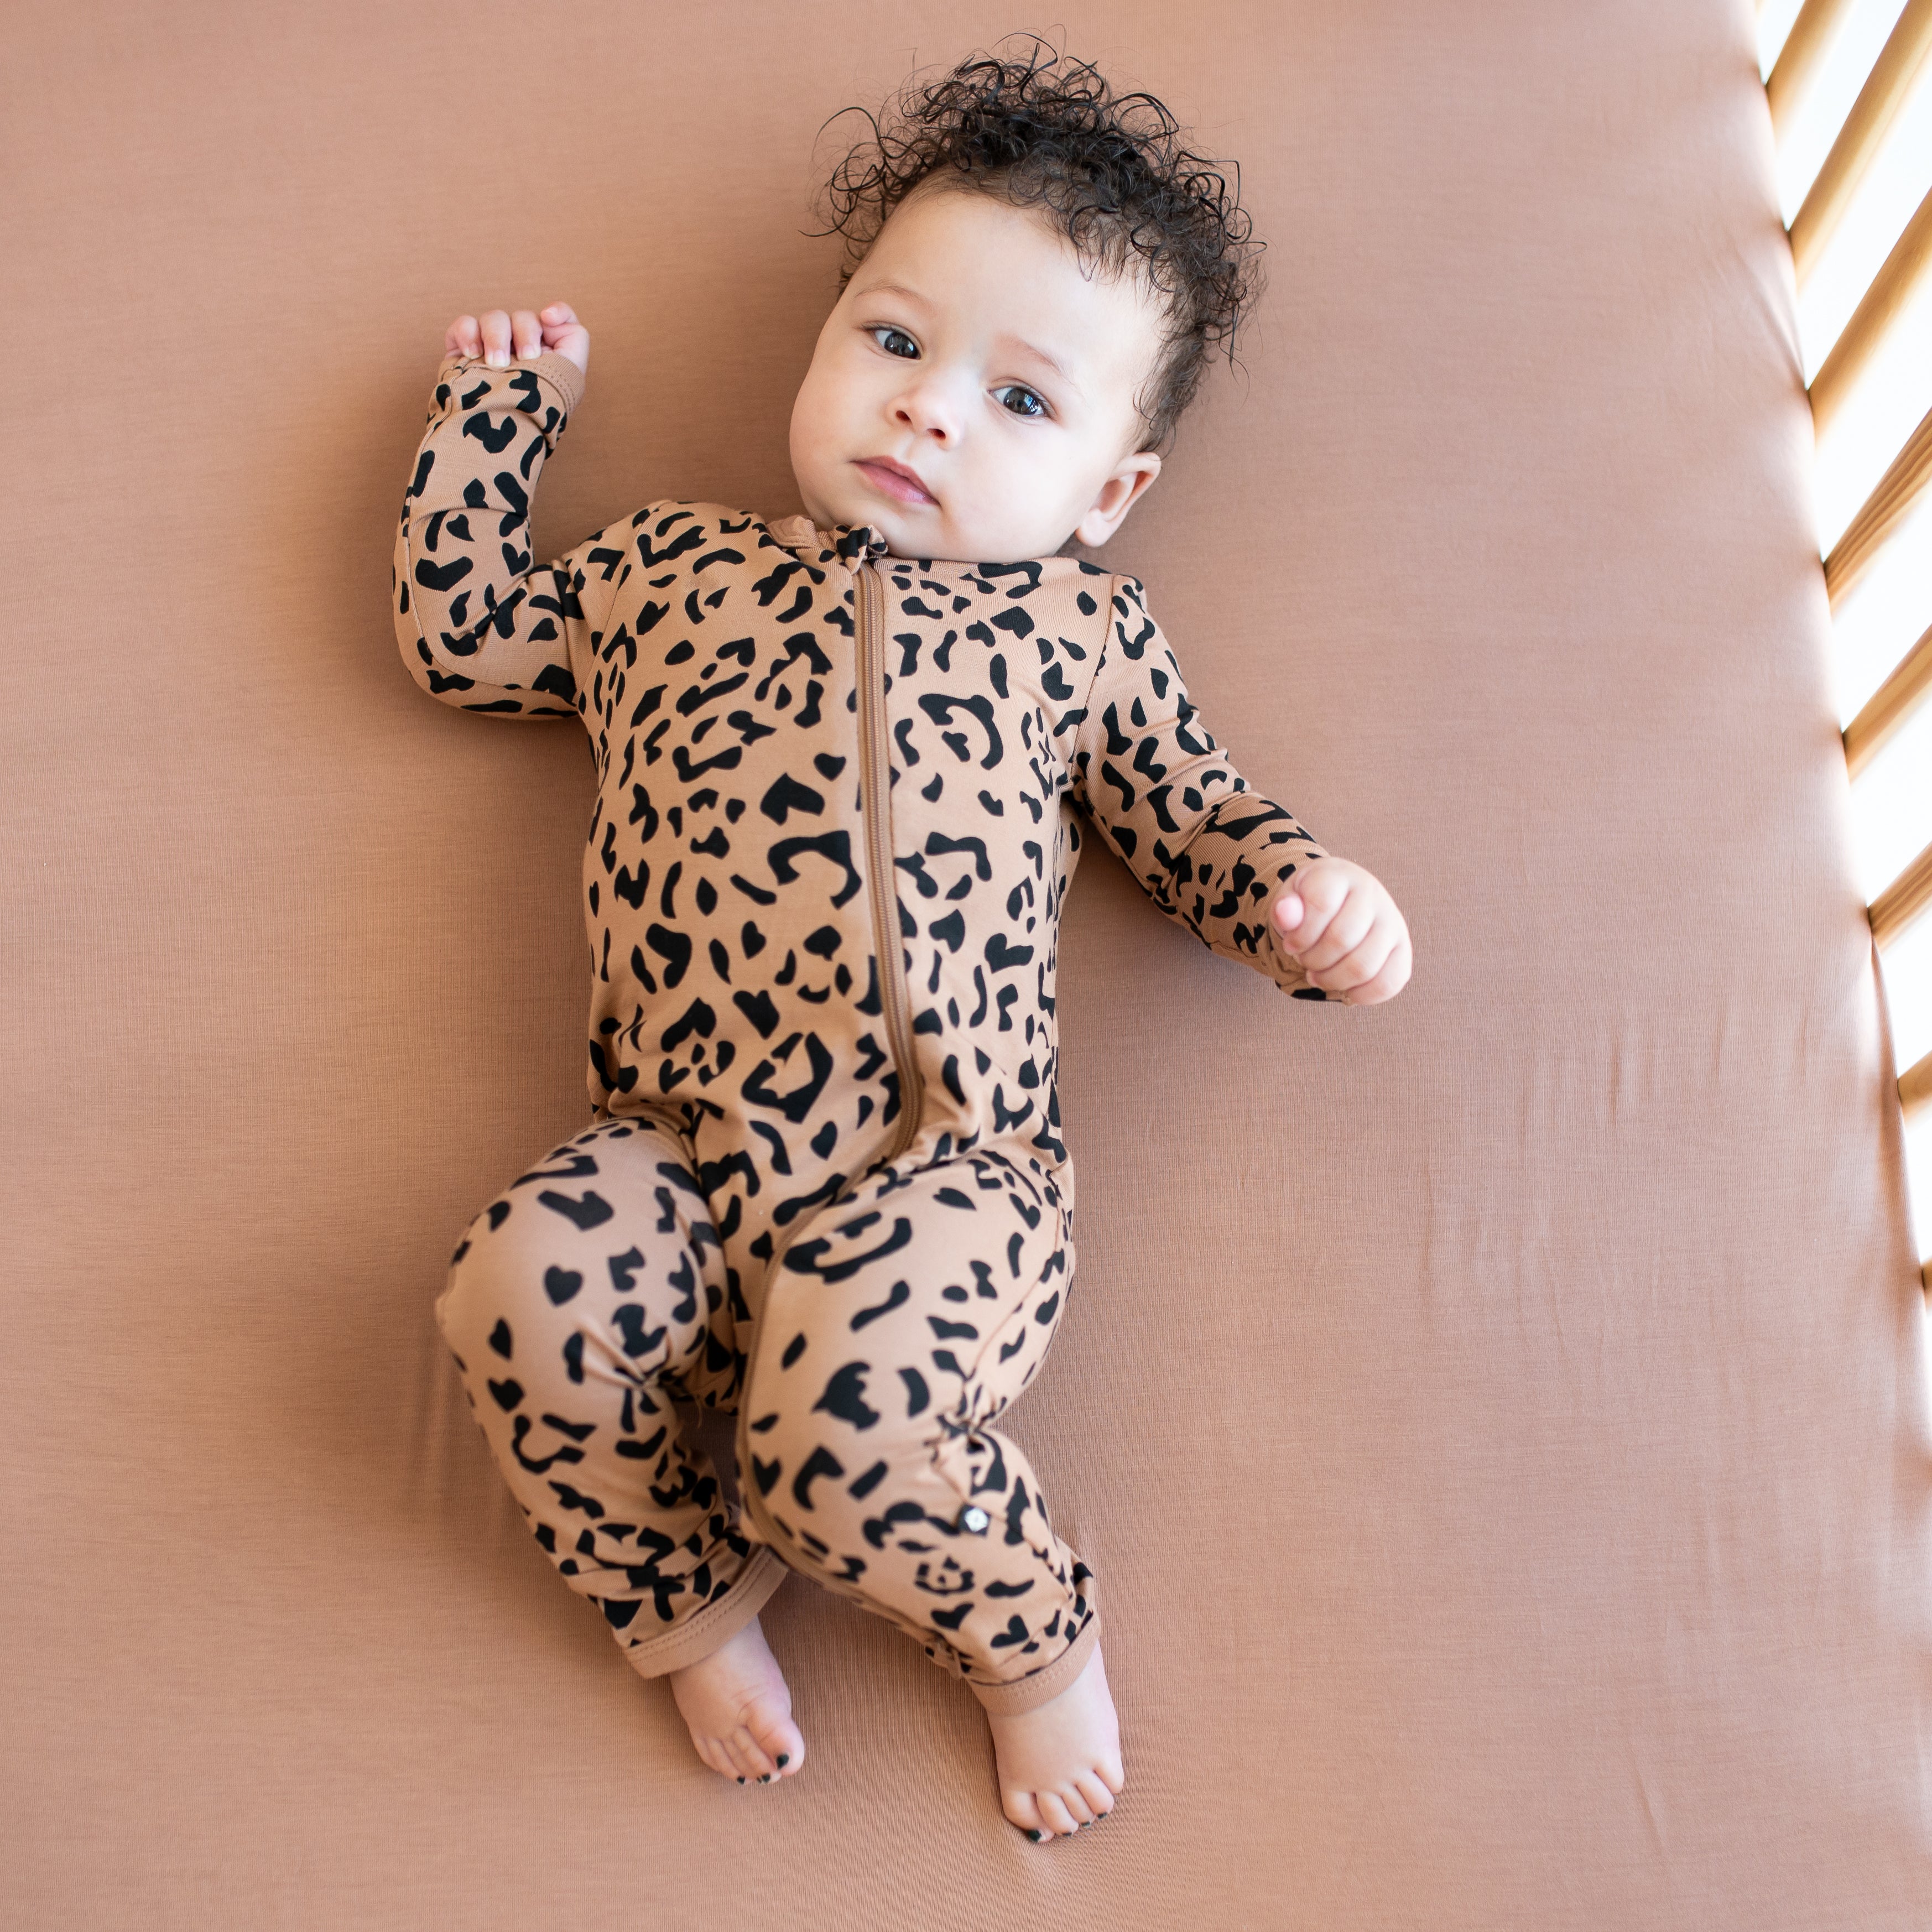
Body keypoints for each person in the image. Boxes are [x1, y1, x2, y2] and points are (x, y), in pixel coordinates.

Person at [391, 41, 1410, 1844]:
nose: (931, 408)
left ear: (1110, 492)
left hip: (953, 1170)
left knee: (835, 1438)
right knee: (508, 1292)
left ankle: (1028, 1640)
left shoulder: (1075, 635)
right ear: (825, 343)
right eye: (892, 341)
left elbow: (1193, 817)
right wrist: (496, 421)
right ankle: (678, 1597)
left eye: (1024, 403)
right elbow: (465, 639)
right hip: (682, 1158)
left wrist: (1306, 897)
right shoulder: (664, 580)